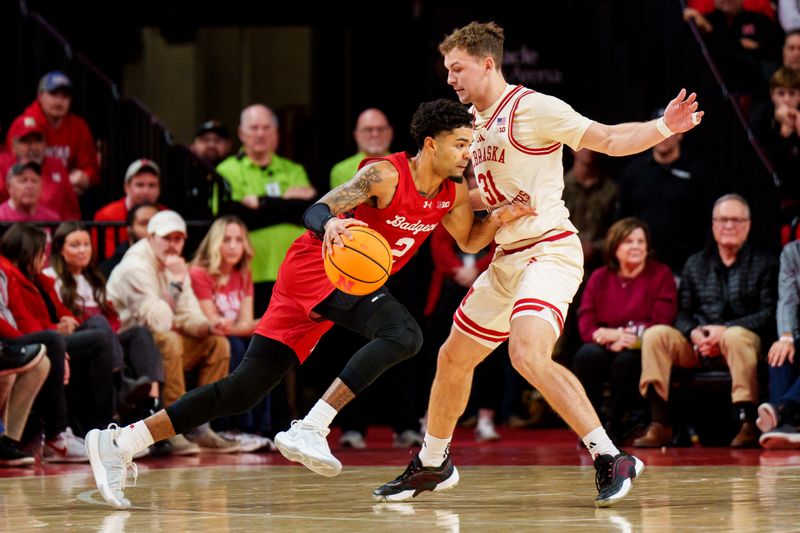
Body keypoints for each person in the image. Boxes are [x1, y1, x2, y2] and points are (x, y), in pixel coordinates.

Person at [84, 98, 532, 510]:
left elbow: (471, 237)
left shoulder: (451, 194)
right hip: (315, 265)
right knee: (404, 334)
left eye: (470, 146)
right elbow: (318, 208)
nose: (468, 154)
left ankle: (122, 442)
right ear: (431, 145)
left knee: (243, 389)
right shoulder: (385, 174)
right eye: (460, 144)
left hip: (345, 279)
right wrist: (332, 227)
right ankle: (312, 426)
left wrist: (502, 216)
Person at [374, 21, 704, 508]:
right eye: (446, 70)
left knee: (527, 353)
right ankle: (432, 462)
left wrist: (662, 128)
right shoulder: (466, 129)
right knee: (452, 357)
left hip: (549, 248)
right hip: (505, 256)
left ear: (487, 64)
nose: (450, 78)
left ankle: (612, 456)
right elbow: (467, 219)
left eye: (457, 68)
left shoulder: (533, 109)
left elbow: (608, 139)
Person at [633, 194, 776, 449]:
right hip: (700, 344)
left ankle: (748, 422)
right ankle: (659, 423)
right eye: (722, 220)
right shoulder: (696, 263)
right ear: (713, 225)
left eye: (736, 220)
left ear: (748, 225)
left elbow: (768, 313)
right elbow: (682, 311)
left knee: (734, 336)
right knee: (656, 335)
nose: (729, 226)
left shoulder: (765, 262)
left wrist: (726, 330)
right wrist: (694, 333)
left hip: (743, 342)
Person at [105, 210, 236, 455]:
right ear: (151, 236)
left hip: (155, 340)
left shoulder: (172, 263)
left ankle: (200, 423)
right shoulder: (135, 267)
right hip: (129, 344)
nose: (173, 245)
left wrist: (208, 326)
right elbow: (158, 322)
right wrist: (176, 281)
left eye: (178, 239)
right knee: (171, 340)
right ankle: (174, 424)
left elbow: (188, 312)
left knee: (217, 343)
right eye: (167, 238)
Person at [572, 218, 677, 442]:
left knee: (626, 361)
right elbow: (586, 322)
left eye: (641, 241)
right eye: (629, 241)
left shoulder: (660, 274)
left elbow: (662, 321)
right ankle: (592, 426)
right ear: (614, 246)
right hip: (608, 344)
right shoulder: (600, 277)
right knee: (586, 355)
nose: (636, 246)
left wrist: (622, 334)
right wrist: (610, 339)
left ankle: (616, 425)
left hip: (638, 347)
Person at [45, 222, 163, 420]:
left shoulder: (94, 279)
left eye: (86, 244)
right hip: (77, 339)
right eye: (75, 245)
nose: (82, 250)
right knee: (99, 322)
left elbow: (113, 319)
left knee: (140, 333)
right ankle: (120, 382)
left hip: (107, 339)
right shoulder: (51, 278)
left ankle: (153, 407)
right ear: (60, 250)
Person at [215, 104, 317, 315]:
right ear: (241, 133)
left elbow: (307, 211)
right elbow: (235, 218)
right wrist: (286, 204)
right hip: (250, 271)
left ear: (275, 133)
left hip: (294, 270)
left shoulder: (293, 169)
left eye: (265, 127)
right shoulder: (225, 171)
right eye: (254, 128)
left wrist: (262, 203)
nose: (260, 134)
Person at [189, 216, 272, 452]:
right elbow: (215, 323)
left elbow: (245, 323)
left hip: (229, 335)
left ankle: (256, 429)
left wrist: (261, 325)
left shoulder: (243, 274)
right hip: (205, 337)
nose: (234, 246)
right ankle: (230, 427)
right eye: (227, 240)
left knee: (265, 349)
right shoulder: (198, 274)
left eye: (238, 239)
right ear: (215, 243)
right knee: (234, 345)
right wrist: (262, 322)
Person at [618, 108, 710, 275]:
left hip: (686, 267)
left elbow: (707, 219)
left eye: (670, 129)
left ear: (681, 134)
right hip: (640, 265)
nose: (663, 136)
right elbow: (622, 219)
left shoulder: (698, 172)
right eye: (659, 129)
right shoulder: (634, 171)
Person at [5, 71, 99, 194]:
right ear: (40, 96)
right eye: (53, 95)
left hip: (67, 194)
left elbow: (90, 169)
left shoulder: (78, 126)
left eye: (65, 96)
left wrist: (84, 178)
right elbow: (9, 167)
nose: (59, 102)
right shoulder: (23, 124)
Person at [757, 239, 800, 448]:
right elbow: (787, 299)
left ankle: (782, 412)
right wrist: (786, 337)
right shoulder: (793, 252)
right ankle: (785, 427)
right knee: (779, 353)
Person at [0, 115, 80, 220]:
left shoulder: (56, 165)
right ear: (14, 144)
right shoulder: (3, 164)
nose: (32, 147)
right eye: (25, 141)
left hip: (52, 229)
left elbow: (71, 208)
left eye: (37, 141)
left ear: (45, 143)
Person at [94, 159, 163, 259]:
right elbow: (107, 257)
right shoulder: (106, 215)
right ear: (127, 187)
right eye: (140, 185)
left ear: (159, 189)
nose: (146, 191)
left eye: (152, 185)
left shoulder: (166, 214)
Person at [329, 108, 394, 189]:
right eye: (368, 129)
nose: (375, 134)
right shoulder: (340, 170)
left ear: (390, 133)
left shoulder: (405, 166)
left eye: (381, 129)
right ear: (356, 135)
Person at [99, 203, 159, 279]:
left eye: (157, 224)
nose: (151, 229)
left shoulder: (170, 262)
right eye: (144, 224)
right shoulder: (111, 267)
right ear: (129, 229)